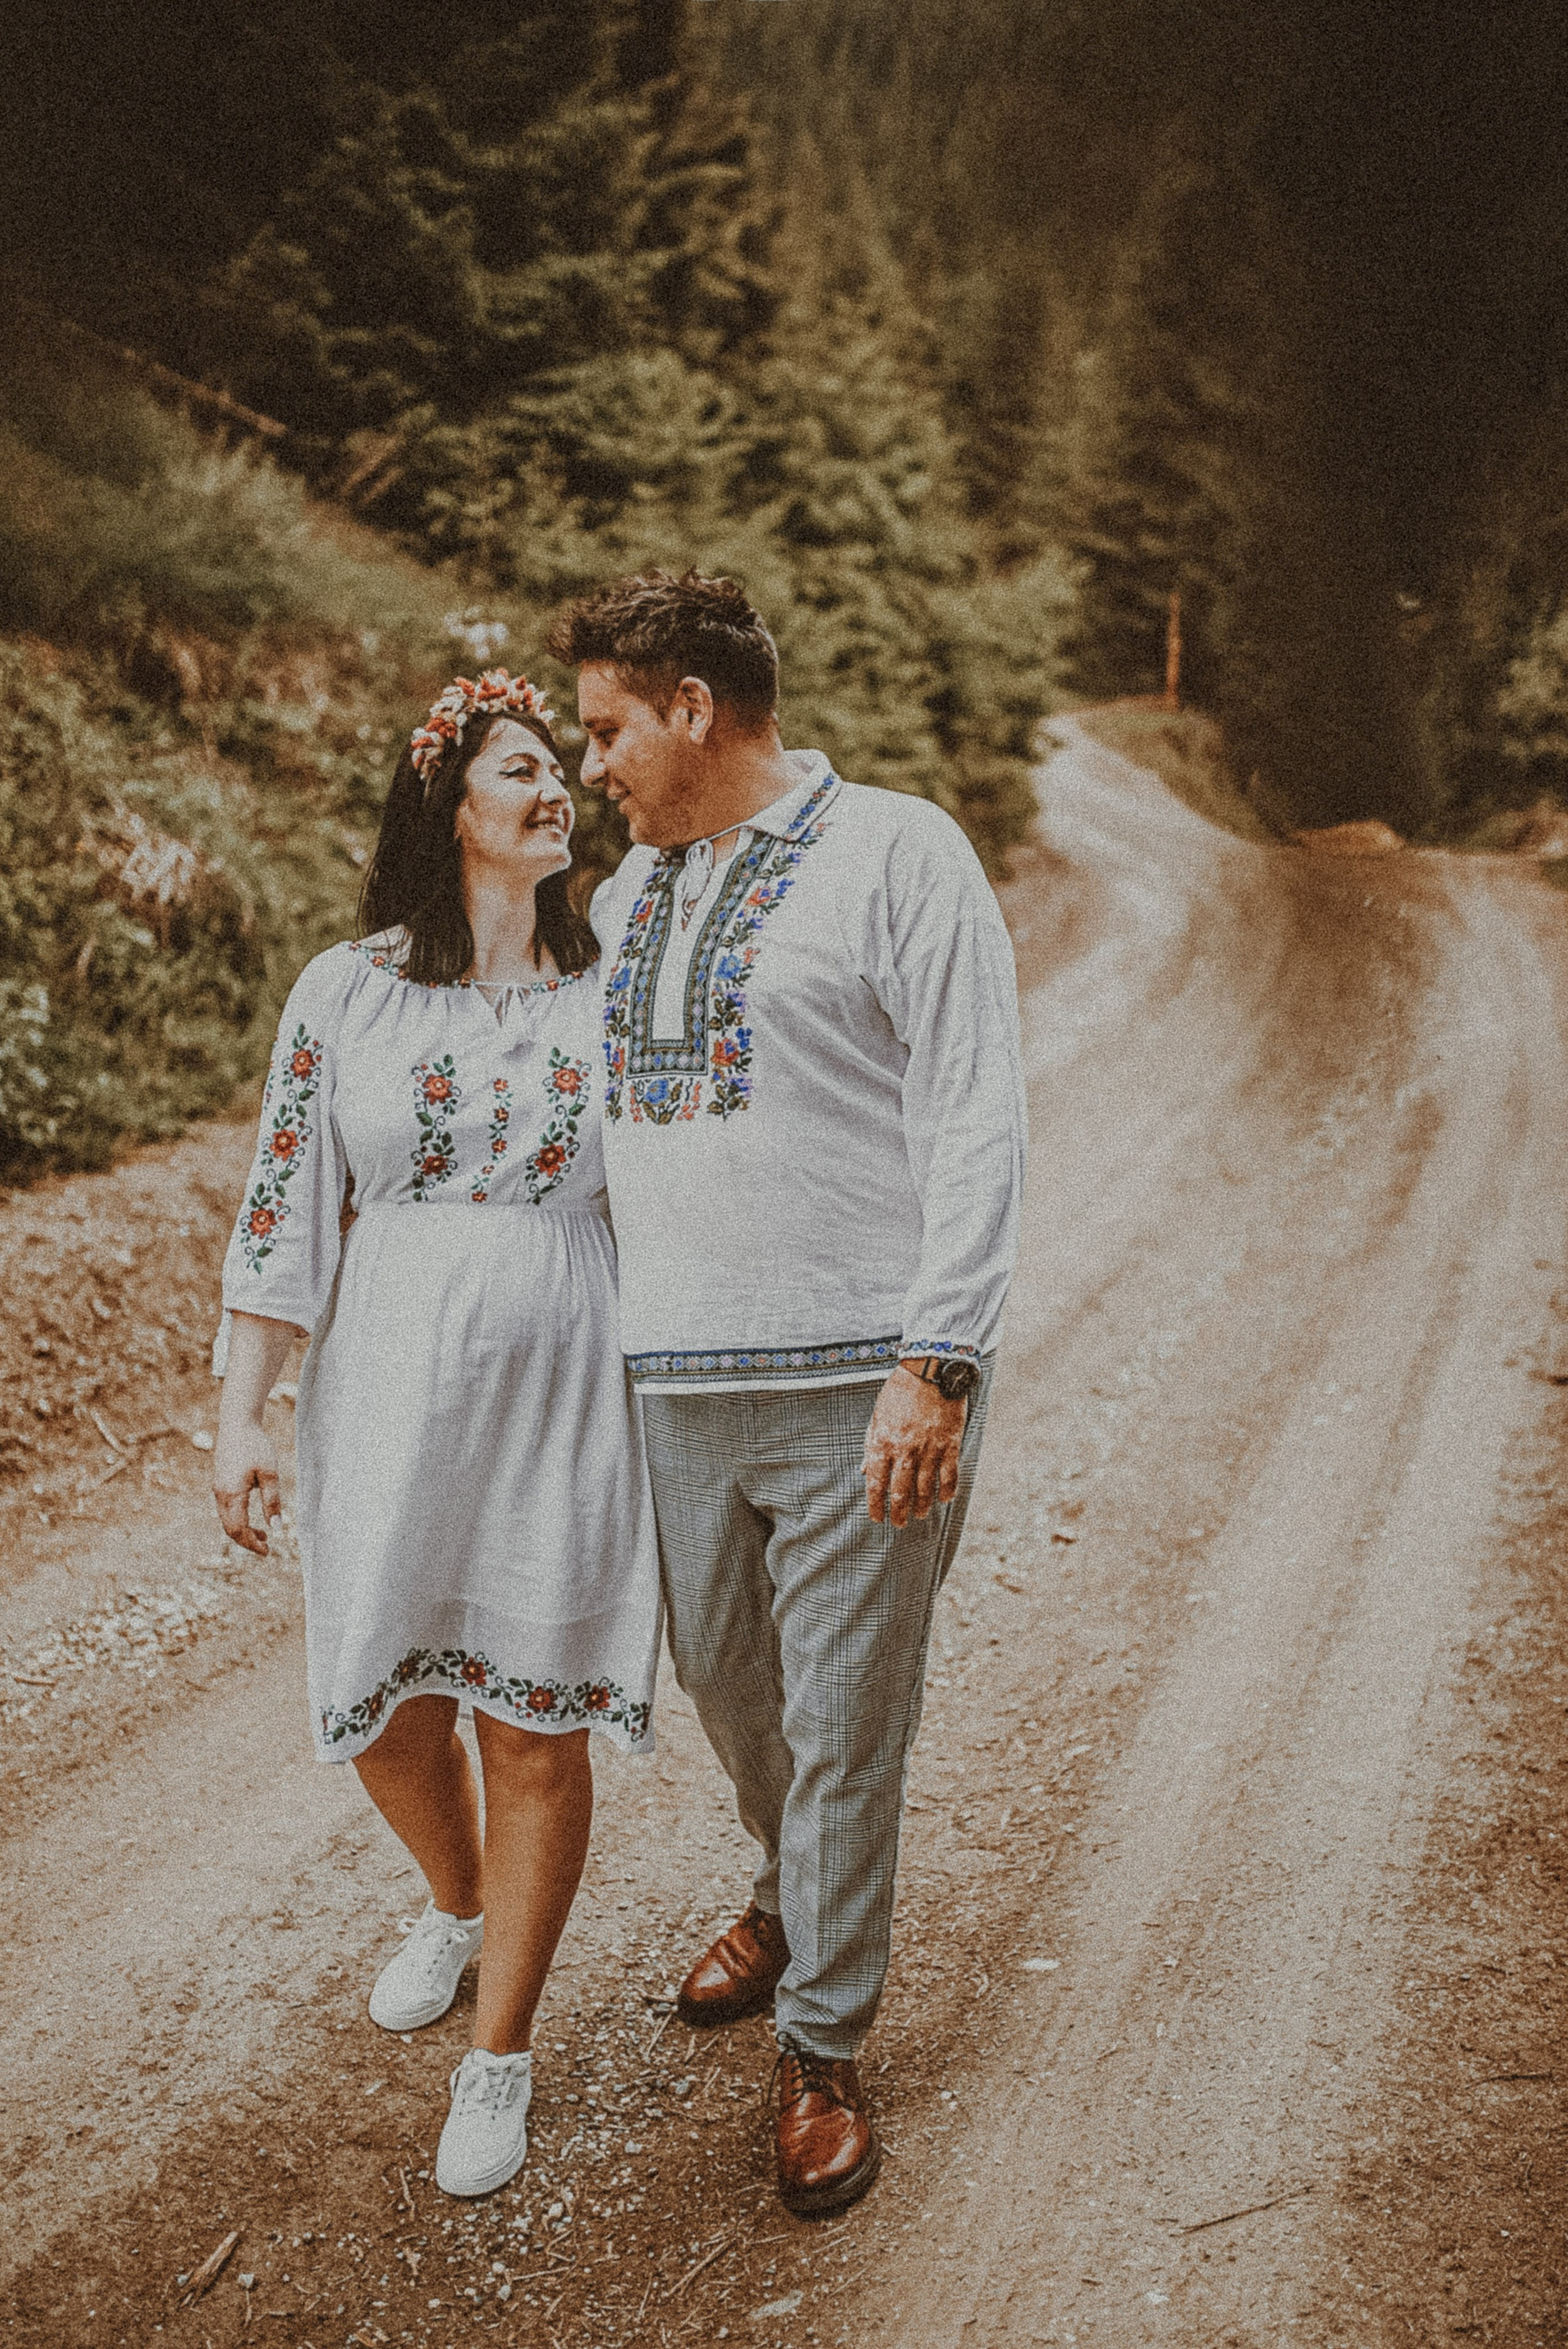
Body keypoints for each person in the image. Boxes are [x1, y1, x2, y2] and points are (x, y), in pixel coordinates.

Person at [546, 571, 1026, 2215]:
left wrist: (937, 1360)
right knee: (732, 1691)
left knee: (840, 1720)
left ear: (694, 705)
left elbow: (977, 1115)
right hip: (674, 1379)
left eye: (609, 728)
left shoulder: (900, 852)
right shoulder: (624, 903)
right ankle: (789, 1885)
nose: (593, 761)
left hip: (858, 1382)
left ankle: (821, 2047)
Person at [211, 669, 661, 2200]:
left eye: (561, 770)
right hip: (389, 1378)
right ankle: (454, 1906)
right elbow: (282, 1210)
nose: (558, 791)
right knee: (385, 1703)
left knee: (533, 1723)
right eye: (523, 769)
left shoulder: (616, 986)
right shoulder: (346, 994)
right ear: (447, 810)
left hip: (565, 1384)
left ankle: (503, 2053)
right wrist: (244, 1415)